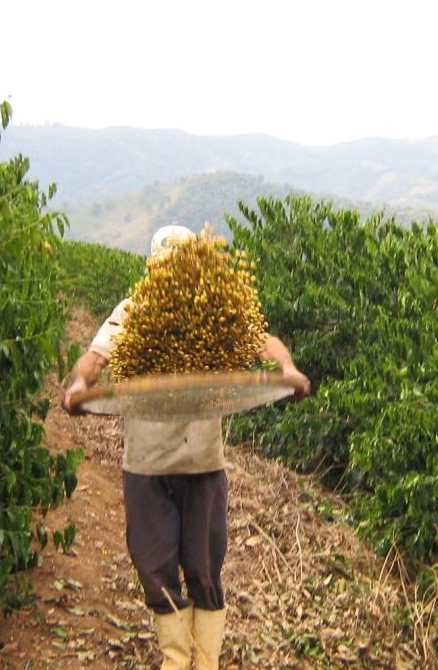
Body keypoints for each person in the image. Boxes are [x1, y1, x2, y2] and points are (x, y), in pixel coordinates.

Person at [62, 225, 311, 670]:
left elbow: (265, 342)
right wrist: (81, 384)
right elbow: (94, 360)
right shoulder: (132, 312)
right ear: (154, 275)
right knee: (154, 567)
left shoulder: (216, 313)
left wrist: (287, 369)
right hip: (148, 466)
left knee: (203, 569)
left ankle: (206, 662)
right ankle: (177, 661)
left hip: (202, 464)